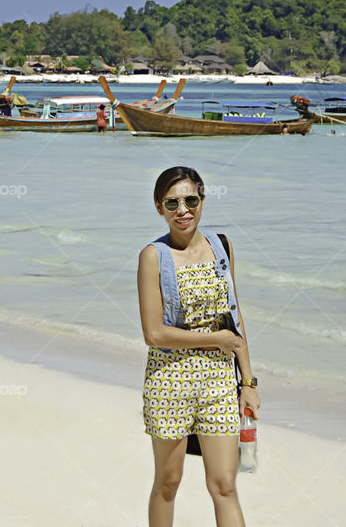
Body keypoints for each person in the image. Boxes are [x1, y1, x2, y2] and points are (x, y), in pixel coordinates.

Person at [138, 166, 260, 527]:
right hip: (169, 380)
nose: (183, 209)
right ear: (159, 207)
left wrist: (249, 383)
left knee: (224, 485)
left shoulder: (221, 247)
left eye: (191, 200)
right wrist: (215, 340)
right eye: (172, 202)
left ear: (202, 201)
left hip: (220, 382)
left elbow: (235, 320)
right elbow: (154, 334)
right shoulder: (153, 256)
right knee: (168, 482)